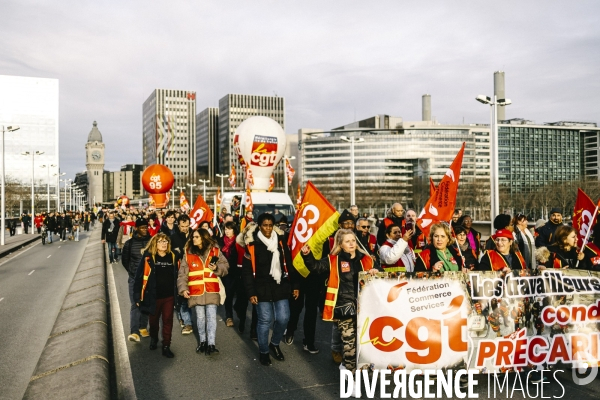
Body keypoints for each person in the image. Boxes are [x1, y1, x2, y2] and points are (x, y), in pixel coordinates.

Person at [300, 229, 380, 373]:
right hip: (344, 309)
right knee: (350, 348)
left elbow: (381, 277)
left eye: (353, 240)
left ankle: (348, 365)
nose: (351, 243)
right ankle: (351, 379)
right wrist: (307, 255)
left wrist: (376, 272)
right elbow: (316, 267)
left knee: (364, 345)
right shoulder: (333, 260)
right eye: (347, 241)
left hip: (366, 310)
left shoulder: (367, 259)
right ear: (341, 245)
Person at [241, 213, 299, 366]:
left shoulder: (280, 241)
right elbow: (246, 272)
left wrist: (296, 285)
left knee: (283, 318)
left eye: (270, 225)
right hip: (261, 289)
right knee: (265, 320)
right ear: (259, 226)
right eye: (264, 225)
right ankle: (264, 351)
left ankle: (274, 343)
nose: (267, 228)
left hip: (280, 285)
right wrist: (251, 293)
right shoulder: (252, 244)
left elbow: (289, 263)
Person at [178, 228, 229, 355]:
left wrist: (217, 267)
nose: (193, 239)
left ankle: (211, 344)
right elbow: (182, 274)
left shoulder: (215, 251)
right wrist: (183, 289)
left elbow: (226, 266)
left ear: (203, 238)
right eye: (193, 237)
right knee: (200, 318)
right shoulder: (188, 253)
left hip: (212, 289)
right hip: (196, 291)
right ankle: (202, 342)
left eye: (196, 237)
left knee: (211, 317)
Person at [133, 233, 179, 358]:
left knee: (168, 320)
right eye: (161, 241)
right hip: (153, 296)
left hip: (169, 296)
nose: (164, 244)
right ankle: (154, 338)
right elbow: (138, 277)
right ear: (155, 243)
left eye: (166, 241)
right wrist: (137, 297)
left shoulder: (174, 256)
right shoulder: (148, 257)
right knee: (153, 321)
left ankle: (166, 346)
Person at [122, 218, 151, 342]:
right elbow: (125, 260)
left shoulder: (151, 241)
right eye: (142, 227)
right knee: (135, 304)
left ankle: (143, 326)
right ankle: (134, 331)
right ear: (136, 228)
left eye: (146, 227)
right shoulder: (129, 243)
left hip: (148, 279)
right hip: (134, 279)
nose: (145, 229)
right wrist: (133, 271)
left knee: (146, 303)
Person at [169, 214, 193, 335]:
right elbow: (171, 253)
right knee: (181, 296)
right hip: (179, 270)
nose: (185, 228)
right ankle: (186, 321)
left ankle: (189, 319)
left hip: (194, 270)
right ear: (178, 225)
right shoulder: (173, 237)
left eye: (187, 226)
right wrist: (179, 253)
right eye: (183, 226)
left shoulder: (195, 235)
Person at [219, 221, 244, 327]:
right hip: (225, 272)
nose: (227, 231)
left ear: (234, 230)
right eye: (226, 229)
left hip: (237, 271)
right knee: (228, 294)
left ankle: (238, 307)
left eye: (230, 229)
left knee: (239, 293)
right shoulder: (220, 241)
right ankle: (229, 316)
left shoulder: (239, 241)